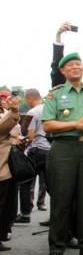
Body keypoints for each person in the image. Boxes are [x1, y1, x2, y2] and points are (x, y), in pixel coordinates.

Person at [42, 52, 83, 255]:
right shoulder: (55, 94)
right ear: (63, 70)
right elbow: (47, 125)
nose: (75, 67)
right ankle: (57, 246)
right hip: (63, 149)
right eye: (70, 65)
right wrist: (75, 123)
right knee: (61, 199)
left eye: (78, 63)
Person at [14, 89, 50, 225]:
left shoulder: (32, 112)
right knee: (51, 185)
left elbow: (30, 136)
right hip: (49, 150)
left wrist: (21, 144)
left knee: (25, 181)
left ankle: (25, 214)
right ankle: (57, 215)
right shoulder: (49, 109)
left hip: (36, 150)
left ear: (29, 98)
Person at [0, 95, 21, 251]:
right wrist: (13, 113)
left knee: (9, 205)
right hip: (2, 166)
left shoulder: (5, 112)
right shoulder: (8, 114)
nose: (5, 101)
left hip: (10, 165)